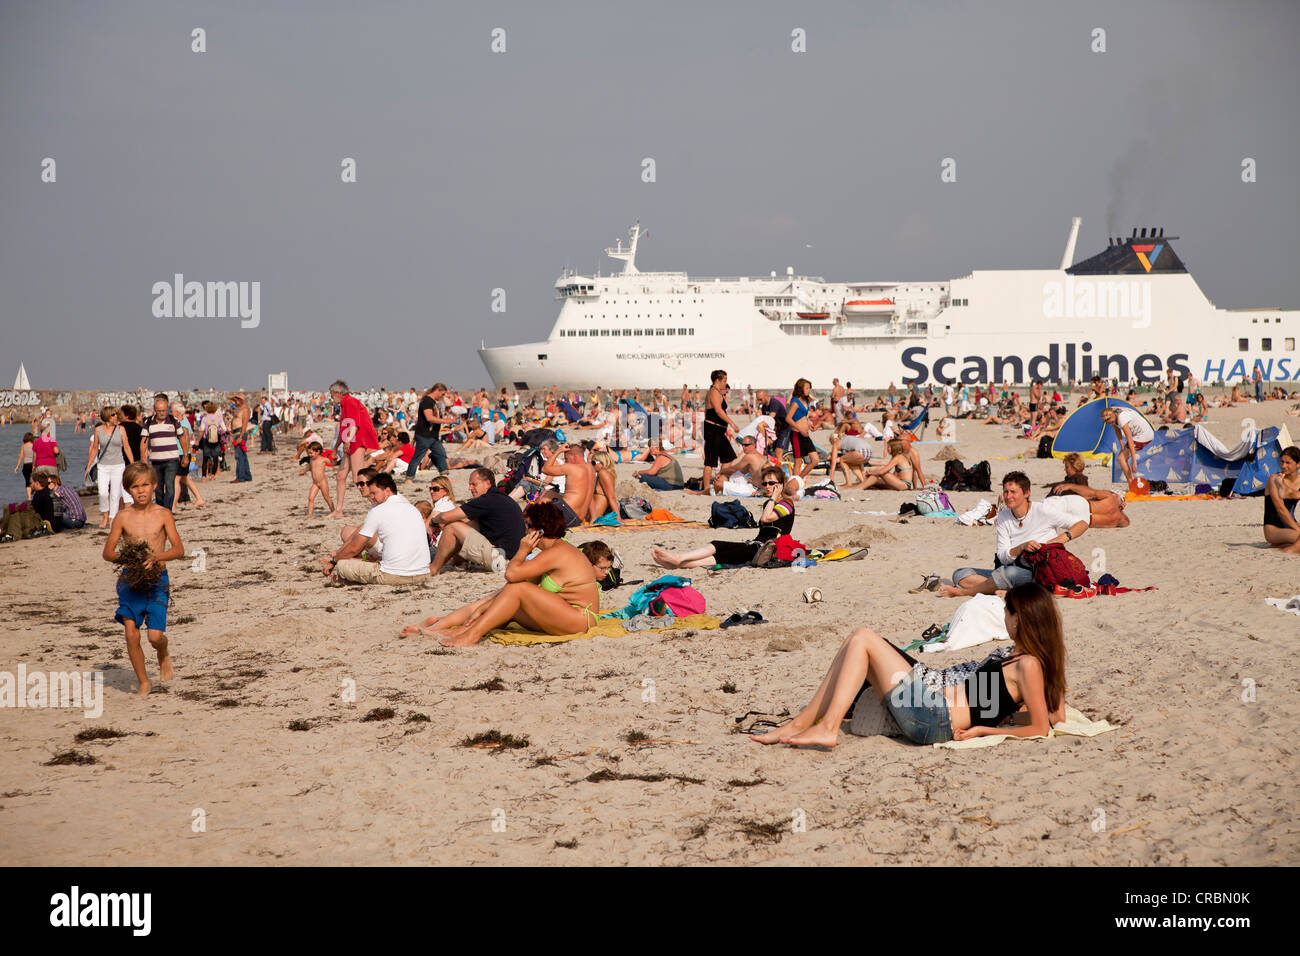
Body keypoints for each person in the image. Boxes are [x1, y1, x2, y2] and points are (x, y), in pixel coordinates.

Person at [750, 583, 1066, 747]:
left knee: (863, 637)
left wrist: (984, 728)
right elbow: (1054, 712)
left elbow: (1042, 725)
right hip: (932, 704)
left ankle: (827, 727)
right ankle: (802, 723)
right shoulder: (1018, 656)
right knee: (855, 642)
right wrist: (1006, 714)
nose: (1005, 617)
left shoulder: (1030, 665)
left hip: (934, 717)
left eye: (1008, 611)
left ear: (1021, 618)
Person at [410, 502, 606, 646]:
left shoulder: (557, 553)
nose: (525, 529)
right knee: (503, 599)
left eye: (528, 525)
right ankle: (450, 627)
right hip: (568, 616)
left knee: (516, 590)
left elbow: (512, 576)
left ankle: (471, 636)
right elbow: (515, 584)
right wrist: (483, 607)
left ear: (538, 530)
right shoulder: (552, 551)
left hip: (581, 619)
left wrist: (523, 550)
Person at [102, 462, 184, 698]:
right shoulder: (122, 517)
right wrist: (127, 558)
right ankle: (144, 682)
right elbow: (107, 553)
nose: (141, 490)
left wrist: (156, 556)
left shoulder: (163, 514)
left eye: (145, 485)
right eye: (135, 487)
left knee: (155, 636)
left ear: (154, 485)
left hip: (157, 579)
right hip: (131, 580)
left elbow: (179, 549)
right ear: (128, 490)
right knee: (131, 632)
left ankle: (163, 652)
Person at [941, 471, 1090, 597]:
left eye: (1013, 492)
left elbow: (1082, 524)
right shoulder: (1003, 517)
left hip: (1038, 569)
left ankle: (964, 593)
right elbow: (1003, 556)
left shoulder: (1042, 510)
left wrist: (1057, 541)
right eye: (1006, 492)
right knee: (960, 574)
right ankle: (1006, 589)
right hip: (1013, 566)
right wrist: (1022, 547)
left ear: (1026, 493)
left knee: (1008, 574)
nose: (1008, 496)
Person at [652, 466, 794, 568]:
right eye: (765, 483)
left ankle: (679, 562)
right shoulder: (768, 503)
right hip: (757, 545)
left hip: (768, 549)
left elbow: (765, 519)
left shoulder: (787, 504)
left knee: (725, 554)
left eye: (771, 483)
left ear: (780, 485)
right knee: (719, 545)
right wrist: (772, 500)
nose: (767, 486)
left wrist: (773, 498)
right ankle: (680, 560)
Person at [322, 472, 431, 586]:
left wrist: (334, 561)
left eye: (374, 493)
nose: (372, 496)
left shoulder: (379, 510)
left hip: (394, 576)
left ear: (387, 491)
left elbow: (354, 547)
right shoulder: (412, 509)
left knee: (343, 565)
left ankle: (344, 578)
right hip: (423, 574)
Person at [429, 467, 526, 575]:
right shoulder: (503, 499)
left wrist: (433, 522)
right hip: (516, 558)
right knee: (464, 524)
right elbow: (469, 525)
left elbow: (444, 517)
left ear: (487, 483)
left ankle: (434, 568)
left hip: (501, 560)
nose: (470, 488)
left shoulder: (486, 500)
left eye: (474, 484)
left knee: (452, 526)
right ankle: (457, 561)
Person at [328, 379, 380, 515]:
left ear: (338, 393)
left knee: (359, 478)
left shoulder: (351, 402)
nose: (331, 397)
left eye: (332, 394)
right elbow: (343, 431)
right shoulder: (344, 405)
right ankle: (338, 510)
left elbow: (355, 425)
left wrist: (348, 441)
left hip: (357, 442)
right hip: (351, 442)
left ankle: (379, 504)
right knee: (340, 476)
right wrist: (335, 448)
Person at [695, 369, 739, 495]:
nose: (726, 383)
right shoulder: (713, 392)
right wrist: (732, 423)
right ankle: (706, 489)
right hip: (712, 429)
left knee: (729, 458)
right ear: (717, 380)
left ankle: (720, 483)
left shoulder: (719, 393)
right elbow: (719, 411)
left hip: (720, 430)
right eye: (724, 380)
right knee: (710, 461)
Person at [140, 393, 185, 510]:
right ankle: (161, 511)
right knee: (158, 489)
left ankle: (167, 511)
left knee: (170, 488)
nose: (161, 413)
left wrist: (185, 455)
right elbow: (144, 441)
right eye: (159, 411)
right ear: (155, 410)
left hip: (172, 460)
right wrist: (143, 458)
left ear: (167, 409)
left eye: (164, 411)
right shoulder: (148, 422)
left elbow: (182, 438)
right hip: (155, 461)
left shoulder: (174, 421)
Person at [406, 383, 454, 484]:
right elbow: (429, 418)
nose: (442, 396)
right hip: (424, 435)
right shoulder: (427, 401)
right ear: (437, 390)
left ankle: (445, 477)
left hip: (433, 436)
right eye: (442, 394)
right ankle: (409, 478)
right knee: (417, 457)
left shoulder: (434, 402)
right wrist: (446, 421)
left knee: (441, 454)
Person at [1100, 406, 1155, 485]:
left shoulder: (1122, 418)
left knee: (1121, 458)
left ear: (1113, 415)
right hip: (1141, 434)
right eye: (1105, 421)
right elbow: (1117, 430)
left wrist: (1134, 461)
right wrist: (1122, 447)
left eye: (1109, 420)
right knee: (1122, 458)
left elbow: (1130, 439)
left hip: (1143, 435)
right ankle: (1133, 484)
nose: (1108, 423)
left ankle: (1132, 485)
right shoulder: (1113, 414)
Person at [1262, 445, 1300, 554]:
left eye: (1288, 463)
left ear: (1298, 464)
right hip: (1273, 529)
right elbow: (1280, 510)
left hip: (1291, 523)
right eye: (1282, 462)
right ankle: (1289, 548)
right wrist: (1297, 530)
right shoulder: (1274, 479)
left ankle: (1285, 544)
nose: (1283, 466)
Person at [786, 378, 820, 479]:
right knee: (798, 461)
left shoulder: (805, 401)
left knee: (815, 460)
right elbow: (788, 418)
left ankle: (798, 480)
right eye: (807, 388)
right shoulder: (795, 402)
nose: (809, 390)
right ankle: (796, 482)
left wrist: (810, 425)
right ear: (801, 389)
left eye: (810, 388)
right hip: (797, 434)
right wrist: (800, 429)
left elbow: (803, 417)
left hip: (805, 434)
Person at [301, 442, 335, 517]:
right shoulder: (311, 460)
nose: (310, 455)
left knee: (326, 497)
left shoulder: (323, 459)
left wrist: (334, 460)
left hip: (323, 482)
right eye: (309, 453)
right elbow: (309, 467)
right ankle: (309, 514)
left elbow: (332, 463)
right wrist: (304, 471)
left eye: (311, 453)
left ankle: (333, 511)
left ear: (318, 451)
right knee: (310, 498)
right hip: (315, 483)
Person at [589, 449, 619, 519]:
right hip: (594, 513)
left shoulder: (603, 473)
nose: (591, 465)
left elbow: (611, 497)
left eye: (593, 463)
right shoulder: (605, 473)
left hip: (595, 515)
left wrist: (618, 518)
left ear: (602, 462)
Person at [228, 394, 252, 482]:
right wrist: (234, 396)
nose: (236, 401)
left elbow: (245, 424)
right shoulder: (238, 408)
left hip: (240, 433)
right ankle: (247, 476)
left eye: (238, 399)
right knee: (242, 455)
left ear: (242, 400)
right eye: (235, 399)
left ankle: (240, 477)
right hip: (236, 433)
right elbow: (228, 398)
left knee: (239, 455)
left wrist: (241, 436)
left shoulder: (245, 409)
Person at [13, 432, 34, 500]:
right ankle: (34, 494)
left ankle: (29, 498)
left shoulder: (23, 446)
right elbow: (35, 455)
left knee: (27, 481)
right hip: (33, 464)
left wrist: (17, 467)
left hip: (26, 465)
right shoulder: (34, 445)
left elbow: (21, 457)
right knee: (34, 480)